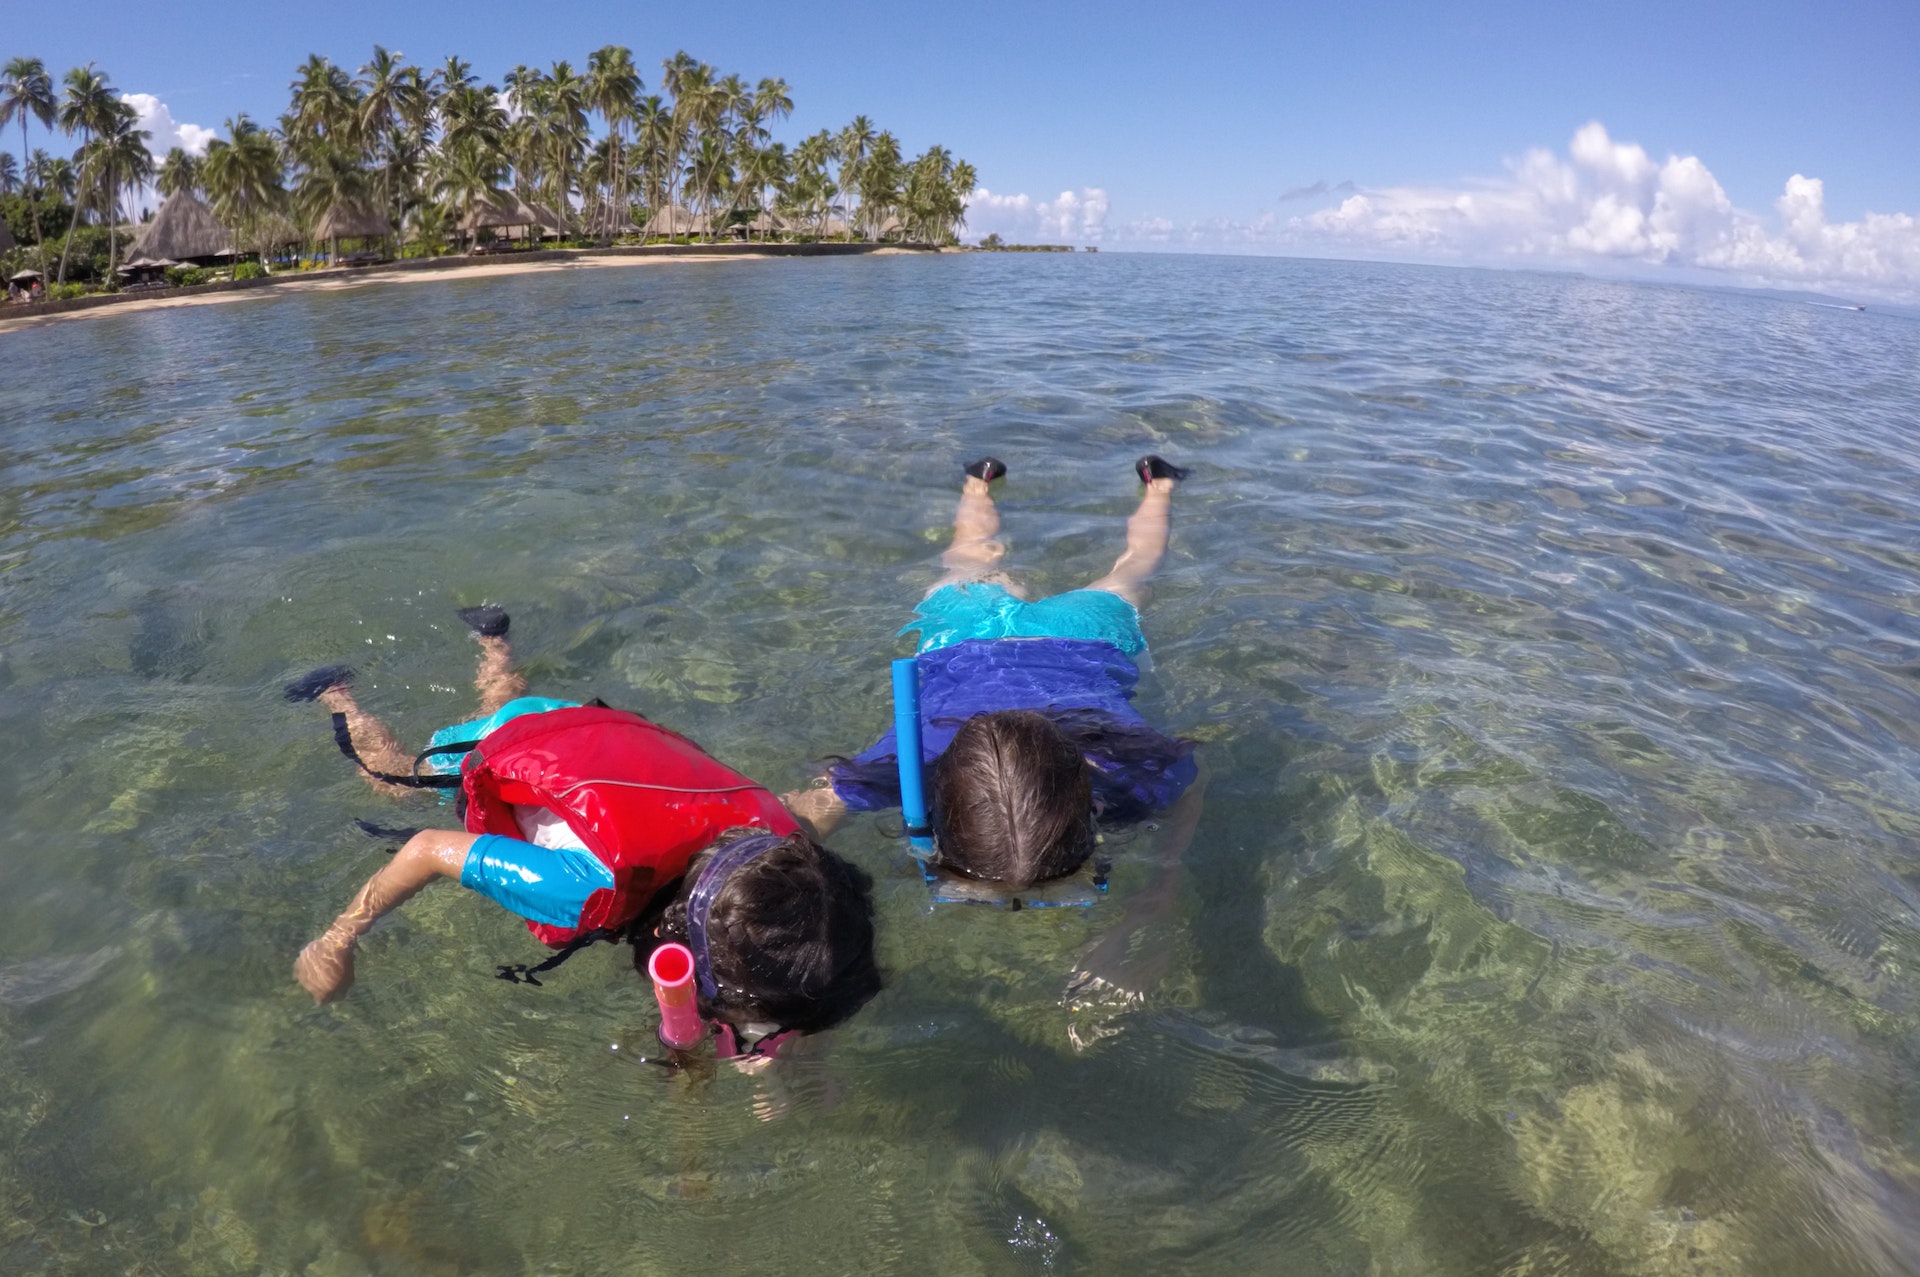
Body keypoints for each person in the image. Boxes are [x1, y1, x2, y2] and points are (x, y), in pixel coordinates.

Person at [288, 606, 881, 1056]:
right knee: (392, 777)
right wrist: (339, 938)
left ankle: (494, 639)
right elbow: (424, 850)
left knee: (511, 700)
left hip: (585, 727)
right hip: (507, 746)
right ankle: (337, 695)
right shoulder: (580, 889)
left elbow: (820, 805)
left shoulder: (778, 842)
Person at [785, 457, 1207, 995]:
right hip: (1000, 637)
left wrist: (1156, 902)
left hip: (1065, 638)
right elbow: (798, 817)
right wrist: (1159, 893)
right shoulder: (893, 772)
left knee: (1012, 564)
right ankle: (1158, 482)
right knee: (1127, 568)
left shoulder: (897, 774)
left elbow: (789, 820)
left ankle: (982, 480)